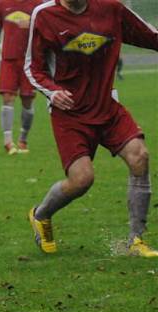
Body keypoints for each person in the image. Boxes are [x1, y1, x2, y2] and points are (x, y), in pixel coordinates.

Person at [25, 0, 158, 257]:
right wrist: (52, 92)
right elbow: (32, 67)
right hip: (70, 113)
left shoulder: (111, 9)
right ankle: (41, 215)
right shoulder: (44, 15)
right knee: (82, 180)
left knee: (139, 156)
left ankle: (136, 240)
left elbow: (150, 36)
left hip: (107, 106)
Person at [0, 0, 42, 155]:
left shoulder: (37, 4)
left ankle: (23, 140)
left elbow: (46, 29)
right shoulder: (2, 4)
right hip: (8, 59)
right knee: (7, 97)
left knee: (27, 100)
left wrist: (34, 26)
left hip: (29, 60)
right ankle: (7, 142)